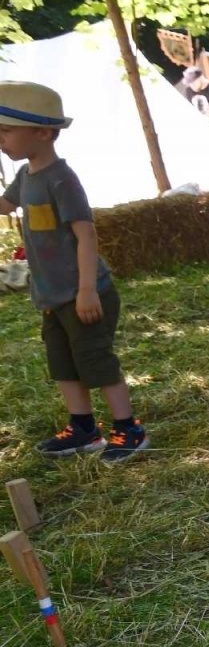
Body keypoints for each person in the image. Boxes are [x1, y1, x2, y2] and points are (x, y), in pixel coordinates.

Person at [0, 82, 149, 462]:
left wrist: (87, 290)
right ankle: (83, 428)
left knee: (95, 360)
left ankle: (128, 429)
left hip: (82, 293)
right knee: (63, 364)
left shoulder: (61, 180)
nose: (1, 140)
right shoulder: (25, 176)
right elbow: (4, 206)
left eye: (6, 131)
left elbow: (86, 236)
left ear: (43, 133)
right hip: (53, 296)